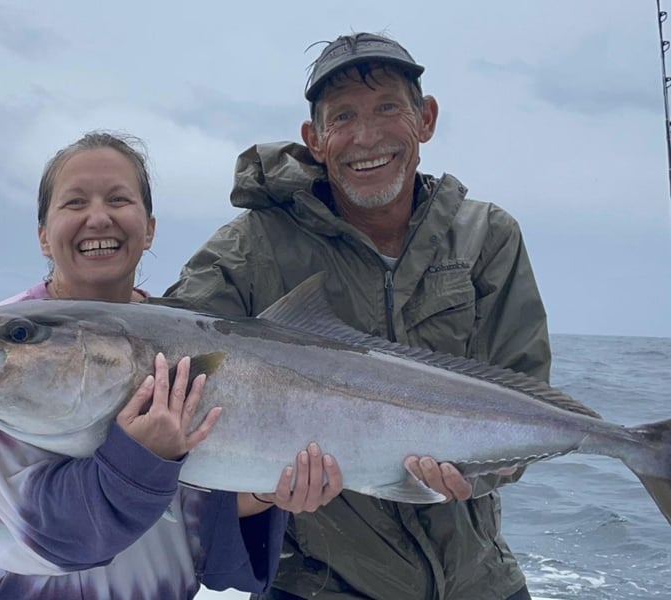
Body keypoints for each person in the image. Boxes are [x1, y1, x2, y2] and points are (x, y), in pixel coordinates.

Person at [162, 33, 550, 599]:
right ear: (314, 139)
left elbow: (525, 384)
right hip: (319, 583)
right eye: (342, 116)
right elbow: (165, 354)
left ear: (427, 118)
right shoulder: (250, 248)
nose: (366, 136)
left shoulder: (487, 235)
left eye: (388, 107)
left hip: (480, 579)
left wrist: (483, 471)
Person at [0, 131, 342, 600]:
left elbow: (204, 544)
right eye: (74, 203)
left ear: (149, 228)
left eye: (118, 198)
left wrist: (266, 494)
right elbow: (56, 537)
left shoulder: (184, 334)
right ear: (43, 235)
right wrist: (144, 456)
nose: (98, 217)